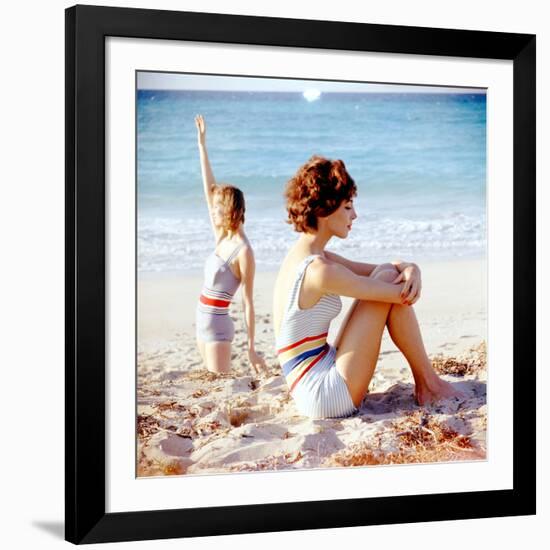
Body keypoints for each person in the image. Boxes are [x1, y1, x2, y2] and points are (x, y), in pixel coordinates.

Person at [273, 155, 464, 419]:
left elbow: (381, 268)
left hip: (313, 373)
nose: (355, 215)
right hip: (323, 395)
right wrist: (409, 278)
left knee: (386, 273)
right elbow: (399, 294)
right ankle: (429, 385)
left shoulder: (308, 257)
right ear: (326, 210)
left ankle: (428, 383)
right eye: (348, 206)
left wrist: (411, 267)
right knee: (387, 279)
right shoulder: (320, 271)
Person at [194, 114, 266, 374]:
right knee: (208, 383)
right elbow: (209, 188)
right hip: (201, 319)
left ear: (230, 211)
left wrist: (251, 348)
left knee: (218, 385)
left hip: (218, 328)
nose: (212, 211)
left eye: (217, 209)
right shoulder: (221, 235)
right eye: (212, 208)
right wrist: (202, 146)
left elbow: (248, 302)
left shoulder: (244, 251)